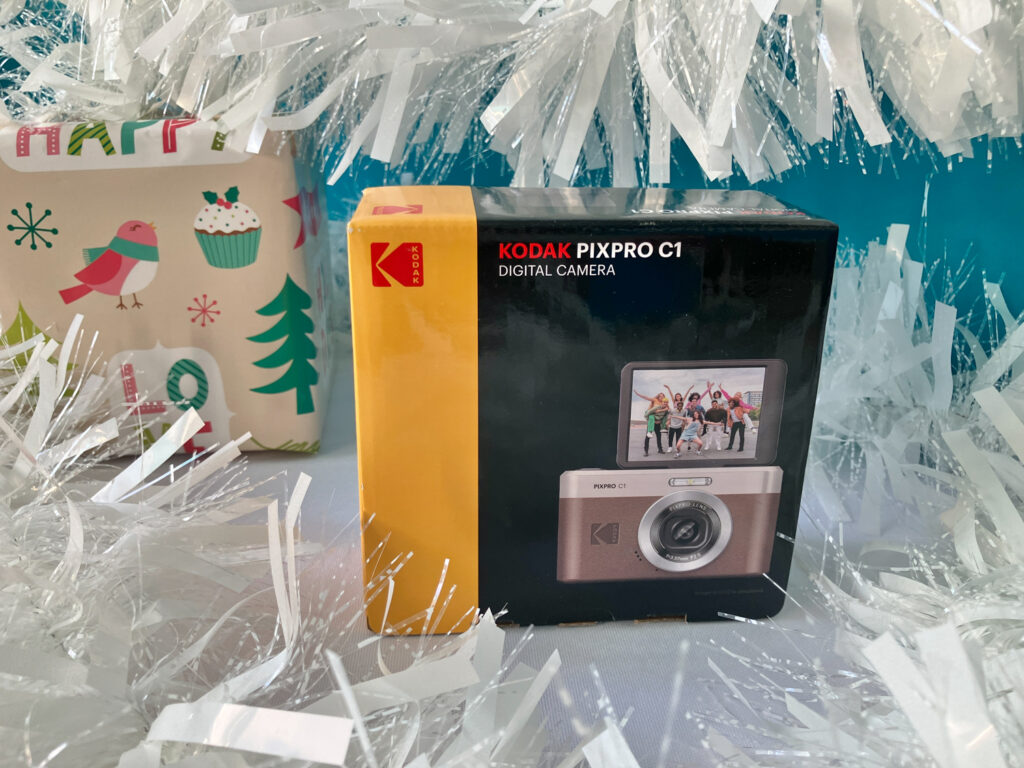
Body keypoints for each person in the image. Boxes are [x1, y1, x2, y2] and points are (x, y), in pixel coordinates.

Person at [634, 389, 670, 456]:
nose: (661, 397)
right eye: (660, 396)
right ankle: (646, 451)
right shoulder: (655, 400)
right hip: (652, 420)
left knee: (659, 436)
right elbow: (646, 398)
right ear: (658, 397)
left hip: (658, 422)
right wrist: (638, 394)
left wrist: (665, 411)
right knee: (648, 436)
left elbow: (668, 412)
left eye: (663, 396)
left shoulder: (665, 403)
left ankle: (660, 449)